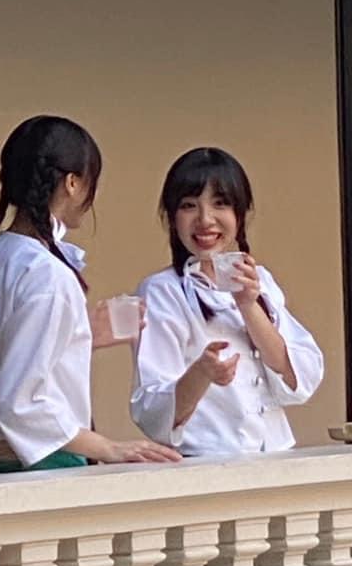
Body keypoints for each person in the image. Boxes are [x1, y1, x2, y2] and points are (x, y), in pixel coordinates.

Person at [0, 115, 180, 474]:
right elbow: (21, 403)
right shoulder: (46, 274)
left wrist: (82, 337)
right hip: (37, 463)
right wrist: (107, 447)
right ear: (72, 183)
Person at [131, 147, 323, 457]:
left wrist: (249, 305)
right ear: (172, 217)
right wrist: (202, 373)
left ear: (241, 213)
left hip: (277, 456)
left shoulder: (260, 280)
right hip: (207, 463)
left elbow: (298, 380)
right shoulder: (162, 291)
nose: (205, 220)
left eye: (220, 203)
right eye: (189, 205)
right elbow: (154, 413)